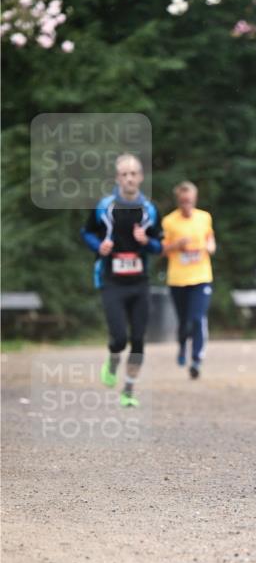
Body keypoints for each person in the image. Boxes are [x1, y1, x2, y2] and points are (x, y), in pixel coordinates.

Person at [81, 153, 163, 407]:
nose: (129, 178)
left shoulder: (149, 210)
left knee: (138, 339)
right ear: (117, 178)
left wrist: (146, 241)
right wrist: (99, 246)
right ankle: (113, 357)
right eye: (124, 174)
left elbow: (160, 246)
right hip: (112, 281)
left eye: (133, 174)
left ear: (140, 177)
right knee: (119, 338)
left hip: (139, 282)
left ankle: (128, 390)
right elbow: (86, 233)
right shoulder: (104, 206)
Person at [161, 181, 216, 379]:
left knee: (197, 319)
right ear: (178, 201)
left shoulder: (204, 217)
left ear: (195, 199)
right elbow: (162, 249)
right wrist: (177, 245)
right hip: (178, 279)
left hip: (201, 277)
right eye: (183, 201)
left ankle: (196, 360)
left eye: (190, 201)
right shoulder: (169, 221)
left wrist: (210, 247)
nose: (187, 205)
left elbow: (210, 239)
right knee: (184, 322)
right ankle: (182, 344)